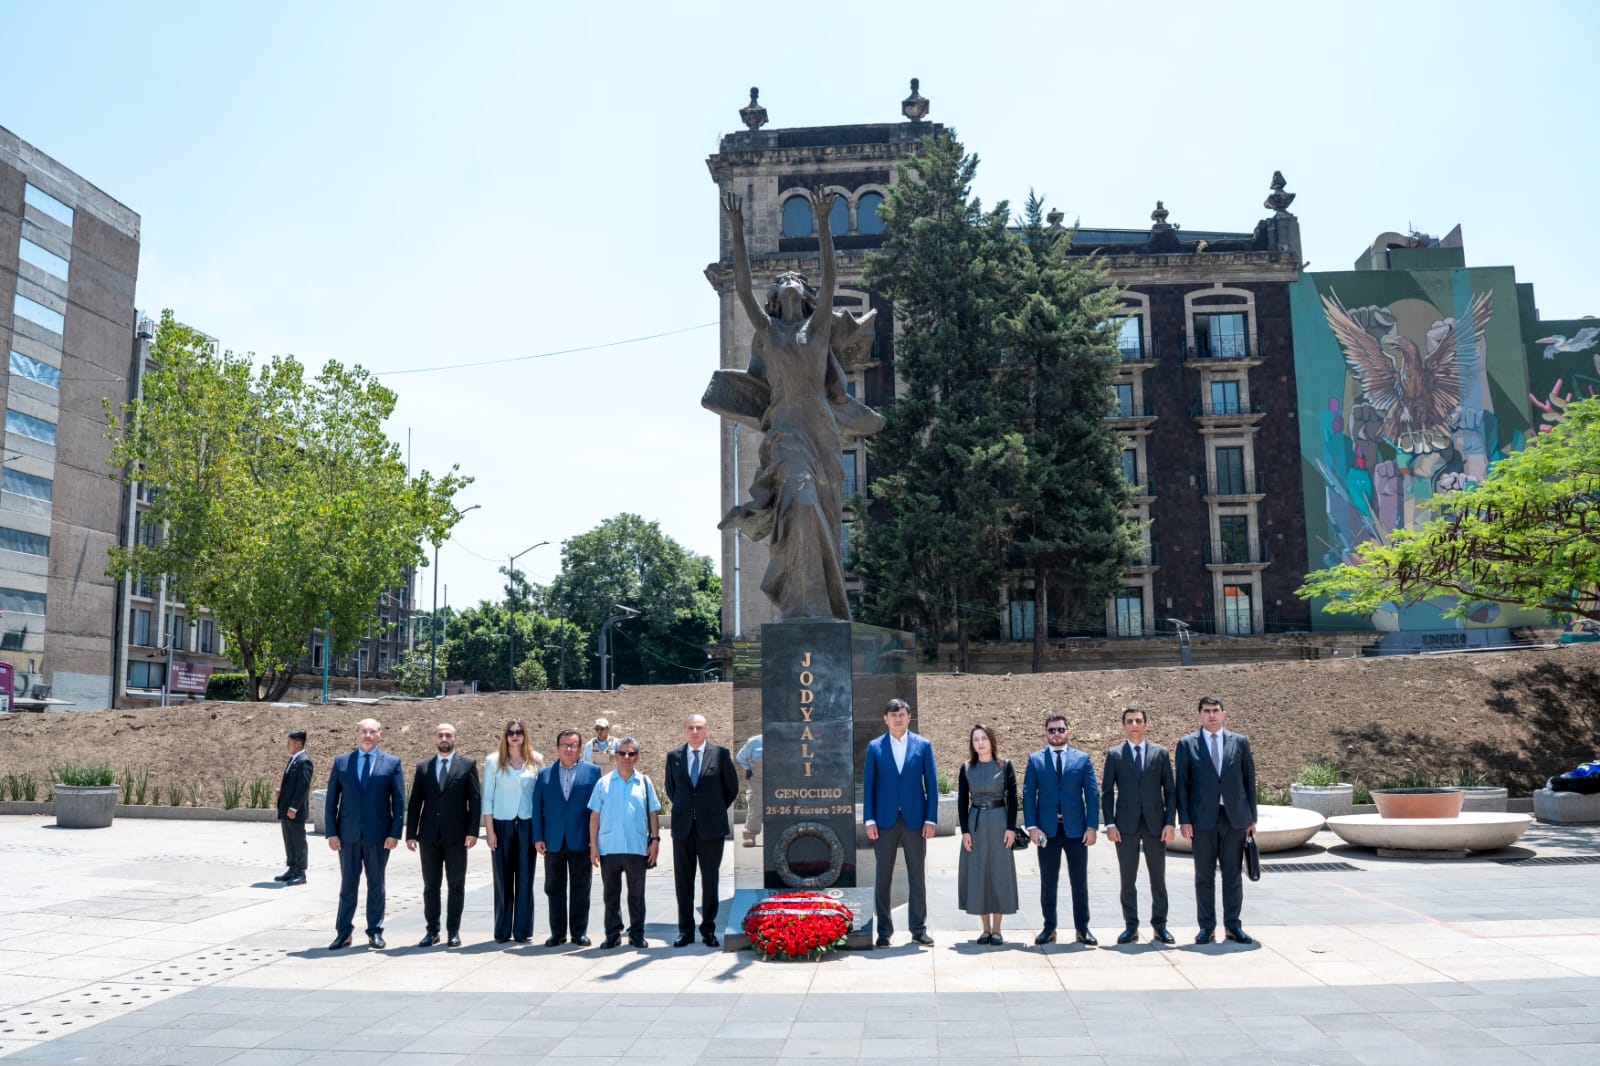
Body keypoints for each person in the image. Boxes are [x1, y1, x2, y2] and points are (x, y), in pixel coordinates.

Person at [1176, 696, 1258, 945]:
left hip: (1234, 819)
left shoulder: (1240, 742)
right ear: (1199, 715)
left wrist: (1251, 817)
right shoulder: (1186, 744)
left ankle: (1233, 926)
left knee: (1232, 876)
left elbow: (1248, 780)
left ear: (1224, 714)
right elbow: (1182, 786)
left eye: (1215, 711)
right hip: (1202, 821)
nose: (1211, 715)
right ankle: (1206, 928)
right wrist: (1185, 820)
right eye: (1206, 711)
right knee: (1204, 876)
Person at [324, 717, 406, 950]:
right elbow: (331, 801)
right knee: (348, 884)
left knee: (376, 884)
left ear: (380, 734)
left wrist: (394, 833)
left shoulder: (392, 763)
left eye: (372, 731)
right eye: (363, 732)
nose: (367, 735)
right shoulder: (342, 762)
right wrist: (332, 832)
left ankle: (375, 931)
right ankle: (343, 932)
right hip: (347, 835)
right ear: (356, 734)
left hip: (379, 836)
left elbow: (399, 803)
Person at [863, 697, 939, 947]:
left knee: (917, 876)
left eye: (902, 714)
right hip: (884, 821)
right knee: (882, 877)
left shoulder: (923, 745)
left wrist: (931, 819)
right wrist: (869, 819)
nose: (898, 719)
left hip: (915, 820)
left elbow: (932, 786)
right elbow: (869, 787)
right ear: (886, 719)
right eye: (893, 715)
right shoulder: (874, 747)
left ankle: (919, 929)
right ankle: (884, 932)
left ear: (909, 717)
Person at [1101, 707, 1177, 946]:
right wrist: (1110, 823)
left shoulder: (1160, 753)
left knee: (1158, 878)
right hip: (1125, 826)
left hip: (1156, 824)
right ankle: (1130, 927)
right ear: (1123, 725)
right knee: (1127, 879)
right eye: (1129, 721)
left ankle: (1160, 926)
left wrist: (1169, 823)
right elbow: (1105, 793)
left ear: (1146, 724)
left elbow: (1170, 792)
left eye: (1138, 721)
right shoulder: (1114, 755)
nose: (1134, 725)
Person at [1023, 715, 1100, 947]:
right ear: (1045, 733)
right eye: (1052, 730)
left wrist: (1092, 826)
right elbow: (1028, 795)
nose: (1056, 733)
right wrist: (1032, 827)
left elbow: (1092, 794)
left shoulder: (1082, 759)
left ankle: (1082, 928)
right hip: (1047, 831)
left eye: (1060, 729)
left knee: (1079, 881)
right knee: (1048, 881)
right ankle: (1049, 928)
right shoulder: (1035, 760)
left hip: (1076, 831)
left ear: (1068, 731)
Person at [664, 713, 739, 948]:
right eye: (690, 728)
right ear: (685, 730)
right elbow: (670, 789)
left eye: (698, 728)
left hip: (711, 829)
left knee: (710, 880)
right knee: (683, 881)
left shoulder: (720, 754)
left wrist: (712, 809)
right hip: (683, 828)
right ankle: (685, 931)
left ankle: (708, 929)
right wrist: (688, 809)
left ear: (706, 730)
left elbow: (731, 788)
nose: (694, 732)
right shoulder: (674, 756)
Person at [405, 723, 481, 948]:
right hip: (428, 836)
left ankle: (453, 931)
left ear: (456, 738)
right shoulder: (423, 767)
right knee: (431, 886)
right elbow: (415, 801)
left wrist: (472, 832)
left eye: (448, 735)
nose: (444, 738)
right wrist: (411, 834)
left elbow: (475, 801)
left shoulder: (467, 765)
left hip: (457, 836)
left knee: (456, 885)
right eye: (440, 735)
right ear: (435, 739)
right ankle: (432, 931)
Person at [587, 736, 661, 949]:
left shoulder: (644, 783)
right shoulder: (604, 783)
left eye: (631, 753)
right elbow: (594, 816)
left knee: (637, 894)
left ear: (637, 757)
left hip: (637, 847)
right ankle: (612, 933)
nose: (626, 757)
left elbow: (653, 813)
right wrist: (593, 844)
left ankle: (637, 933)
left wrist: (655, 841)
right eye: (622, 753)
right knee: (611, 894)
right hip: (609, 847)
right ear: (615, 756)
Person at [533, 728, 602, 947]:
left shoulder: (592, 772)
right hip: (553, 841)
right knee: (554, 888)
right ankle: (558, 932)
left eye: (573, 745)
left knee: (581, 888)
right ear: (557, 748)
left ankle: (579, 932)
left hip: (581, 840)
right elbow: (537, 808)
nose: (569, 749)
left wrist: (595, 840)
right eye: (565, 745)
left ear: (580, 748)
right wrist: (538, 837)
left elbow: (597, 809)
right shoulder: (544, 774)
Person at [957, 724, 1019, 945]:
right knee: (979, 872)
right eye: (976, 739)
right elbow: (962, 801)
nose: (980, 743)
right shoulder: (966, 768)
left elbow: (1013, 799)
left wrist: (1011, 828)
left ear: (991, 740)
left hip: (1000, 821)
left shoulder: (1005, 765)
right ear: (972, 744)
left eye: (984, 738)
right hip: (975, 823)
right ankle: (984, 929)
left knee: (999, 873)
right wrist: (965, 831)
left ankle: (997, 929)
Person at [482, 718, 539, 944]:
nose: (514, 736)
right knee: (503, 880)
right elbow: (487, 798)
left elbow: (539, 799)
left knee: (525, 879)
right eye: (510, 732)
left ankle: (522, 929)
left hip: (527, 825)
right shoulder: (493, 761)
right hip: (502, 825)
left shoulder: (536, 761)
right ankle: (502, 929)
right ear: (504, 736)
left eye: (519, 732)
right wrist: (490, 831)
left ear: (525, 735)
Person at [274, 729, 312, 886]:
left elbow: (303, 786)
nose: (287, 746)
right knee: (289, 840)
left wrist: (294, 807)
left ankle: (300, 872)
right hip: (286, 808)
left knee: (298, 840)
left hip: (295, 811)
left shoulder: (304, 761)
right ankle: (292, 868)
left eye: (289, 743)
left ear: (298, 743)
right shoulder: (293, 760)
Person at [735, 733, 762, 847]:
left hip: (778, 777)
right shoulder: (754, 741)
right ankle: (750, 837)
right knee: (755, 806)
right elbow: (740, 757)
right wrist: (747, 768)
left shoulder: (782, 738)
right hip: (757, 779)